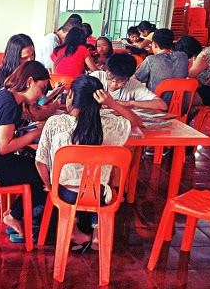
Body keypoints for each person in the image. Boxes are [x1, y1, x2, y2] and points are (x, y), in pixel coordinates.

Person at [35, 75, 142, 250]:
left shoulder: (55, 123)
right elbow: (138, 123)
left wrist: (49, 186)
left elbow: (40, 162)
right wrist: (113, 104)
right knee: (102, 185)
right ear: (100, 100)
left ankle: (73, 230)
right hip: (99, 195)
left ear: (70, 96)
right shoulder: (111, 125)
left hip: (65, 194)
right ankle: (97, 235)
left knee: (72, 186)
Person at [0, 61, 58, 239]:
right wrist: (38, 132)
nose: (42, 95)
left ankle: (22, 214)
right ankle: (15, 215)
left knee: (38, 163)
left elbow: (28, 117)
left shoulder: (4, 95)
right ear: (29, 82)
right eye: (41, 88)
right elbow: (4, 147)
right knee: (45, 174)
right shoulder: (9, 105)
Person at [91, 53, 168, 111]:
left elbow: (162, 105)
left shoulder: (133, 84)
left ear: (128, 78)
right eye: (110, 78)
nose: (113, 84)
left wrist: (131, 103)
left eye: (120, 81)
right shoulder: (96, 77)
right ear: (106, 70)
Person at [175, 35, 210, 107]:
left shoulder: (204, 55)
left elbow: (189, 74)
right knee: (185, 93)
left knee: (183, 99)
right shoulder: (205, 50)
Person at [135, 28, 188, 95]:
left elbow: (135, 79)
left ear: (155, 44)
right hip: (180, 100)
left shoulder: (151, 60)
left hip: (157, 100)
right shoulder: (183, 56)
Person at [0, 34, 35, 101]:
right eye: (24, 58)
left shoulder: (34, 71)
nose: (30, 60)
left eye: (32, 55)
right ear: (14, 58)